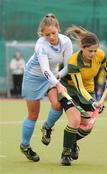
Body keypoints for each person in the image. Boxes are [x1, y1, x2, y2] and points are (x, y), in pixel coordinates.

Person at [58, 25, 107, 166]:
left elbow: (106, 64)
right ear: (82, 48)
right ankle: (65, 153)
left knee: (88, 125)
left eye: (95, 50)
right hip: (69, 91)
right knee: (75, 120)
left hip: (88, 90)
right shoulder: (73, 62)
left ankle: (72, 143)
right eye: (90, 51)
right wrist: (94, 102)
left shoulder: (100, 54)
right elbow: (79, 87)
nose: (93, 54)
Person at [20, 13, 73, 162]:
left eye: (53, 33)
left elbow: (68, 67)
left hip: (53, 76)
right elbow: (44, 69)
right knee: (33, 115)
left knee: (57, 105)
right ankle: (25, 146)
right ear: (42, 34)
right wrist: (58, 84)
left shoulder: (66, 41)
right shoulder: (41, 45)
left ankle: (47, 127)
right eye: (47, 34)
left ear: (58, 29)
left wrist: (58, 78)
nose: (51, 37)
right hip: (33, 78)